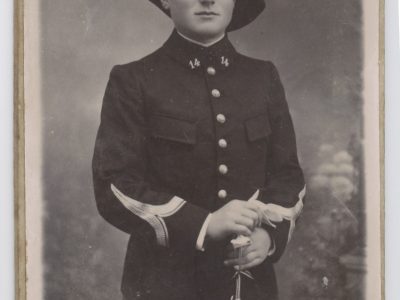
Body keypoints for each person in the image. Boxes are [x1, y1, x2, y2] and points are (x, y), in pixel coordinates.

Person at [92, 0, 305, 299]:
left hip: (247, 283)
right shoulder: (133, 80)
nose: (208, 0)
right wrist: (204, 224)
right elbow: (114, 185)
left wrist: (269, 235)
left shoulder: (263, 77)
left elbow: (288, 176)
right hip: (163, 283)